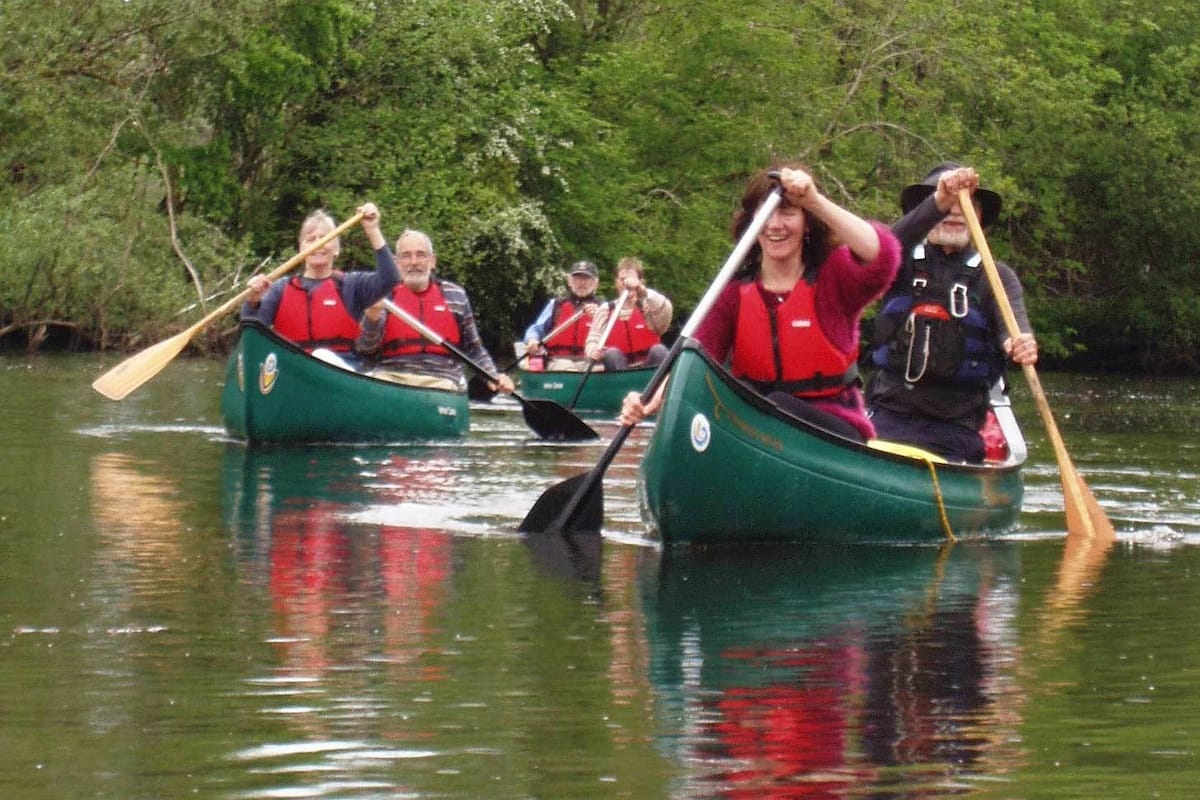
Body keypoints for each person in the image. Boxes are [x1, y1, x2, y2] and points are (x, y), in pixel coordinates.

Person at [620, 164, 901, 441]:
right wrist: (648, 401)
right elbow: (694, 358)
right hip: (755, 427)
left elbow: (882, 255)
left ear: (807, 224)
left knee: (777, 402)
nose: (775, 224)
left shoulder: (834, 275)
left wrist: (813, 201)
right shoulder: (732, 293)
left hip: (833, 429)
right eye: (766, 214)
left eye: (787, 212)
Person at [865, 163, 1038, 463]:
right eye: (948, 205)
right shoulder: (896, 262)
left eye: (967, 205)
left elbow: (1015, 327)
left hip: (956, 429)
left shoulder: (996, 277)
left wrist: (1018, 342)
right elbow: (883, 246)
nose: (956, 212)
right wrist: (937, 203)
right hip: (887, 418)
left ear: (979, 217)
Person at [354, 229, 516, 395]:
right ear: (396, 263)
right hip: (392, 377)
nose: (414, 262)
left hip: (441, 380)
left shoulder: (455, 296)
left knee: (446, 388)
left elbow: (474, 349)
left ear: (433, 261)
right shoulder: (384, 296)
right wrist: (372, 316)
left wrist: (493, 375)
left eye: (421, 255)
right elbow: (366, 350)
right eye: (406, 256)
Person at [241, 203, 398, 355]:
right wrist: (253, 300)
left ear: (336, 249)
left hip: (339, 369)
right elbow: (252, 334)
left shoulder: (351, 285)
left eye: (325, 238)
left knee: (323, 355)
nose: (318, 244)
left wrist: (372, 230)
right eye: (311, 239)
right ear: (301, 249)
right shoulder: (280, 288)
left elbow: (390, 278)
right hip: (292, 367)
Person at [585, 257, 673, 371]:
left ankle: (661, 386)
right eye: (623, 280)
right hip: (619, 369)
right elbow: (593, 339)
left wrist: (642, 290)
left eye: (632, 280)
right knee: (611, 354)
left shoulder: (648, 307)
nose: (627, 284)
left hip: (649, 368)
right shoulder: (605, 310)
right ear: (616, 282)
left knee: (659, 350)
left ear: (640, 282)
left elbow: (665, 309)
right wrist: (592, 350)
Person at [522, 260, 604, 371]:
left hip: (590, 360)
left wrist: (600, 316)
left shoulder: (604, 308)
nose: (582, 283)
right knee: (567, 369)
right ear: (570, 281)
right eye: (577, 278)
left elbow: (614, 336)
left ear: (596, 283)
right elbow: (536, 329)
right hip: (559, 359)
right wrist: (532, 340)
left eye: (587, 279)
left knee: (597, 370)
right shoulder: (556, 305)